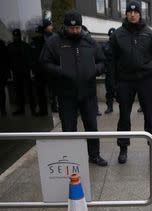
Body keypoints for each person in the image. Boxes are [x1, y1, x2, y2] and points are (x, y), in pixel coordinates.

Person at [40, 10, 108, 166]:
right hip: (66, 95)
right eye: (71, 28)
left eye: (77, 28)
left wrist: (94, 70)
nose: (75, 31)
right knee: (69, 128)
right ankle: (71, 157)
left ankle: (94, 155)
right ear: (65, 27)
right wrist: (60, 71)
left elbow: (103, 61)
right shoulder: (54, 42)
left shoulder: (89, 41)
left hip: (88, 94)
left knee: (91, 125)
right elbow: (44, 63)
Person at [110, 1, 152, 164]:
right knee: (124, 117)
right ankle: (123, 148)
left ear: (140, 14)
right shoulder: (118, 34)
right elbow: (111, 62)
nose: (132, 14)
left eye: (135, 12)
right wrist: (112, 85)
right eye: (129, 12)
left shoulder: (149, 34)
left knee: (149, 116)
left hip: (145, 80)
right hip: (125, 81)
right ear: (126, 14)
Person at [7, 29, 35, 115]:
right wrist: (10, 70)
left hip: (24, 71)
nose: (16, 37)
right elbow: (8, 60)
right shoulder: (11, 46)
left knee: (28, 91)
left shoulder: (25, 46)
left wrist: (31, 69)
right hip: (17, 71)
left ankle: (32, 109)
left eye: (17, 35)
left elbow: (30, 58)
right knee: (19, 92)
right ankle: (21, 109)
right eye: (15, 36)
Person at [103, 27, 116, 114]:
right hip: (109, 71)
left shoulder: (120, 45)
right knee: (109, 90)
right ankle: (109, 106)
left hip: (119, 71)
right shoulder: (105, 46)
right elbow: (102, 58)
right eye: (110, 35)